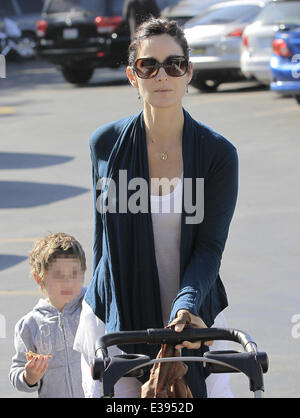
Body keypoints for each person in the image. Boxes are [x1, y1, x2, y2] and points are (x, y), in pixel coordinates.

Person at [74, 17, 238, 398]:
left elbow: (210, 248)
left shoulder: (217, 154)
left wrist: (186, 306)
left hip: (194, 317)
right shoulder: (105, 145)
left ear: (188, 73)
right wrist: (100, 306)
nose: (162, 75)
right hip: (116, 318)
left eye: (174, 64)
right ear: (134, 76)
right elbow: (104, 239)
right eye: (149, 65)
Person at [9, 232, 87, 398]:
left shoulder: (91, 307)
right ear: (40, 279)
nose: (68, 282)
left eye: (74, 273)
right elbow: (17, 370)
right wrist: (29, 377)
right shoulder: (30, 324)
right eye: (58, 275)